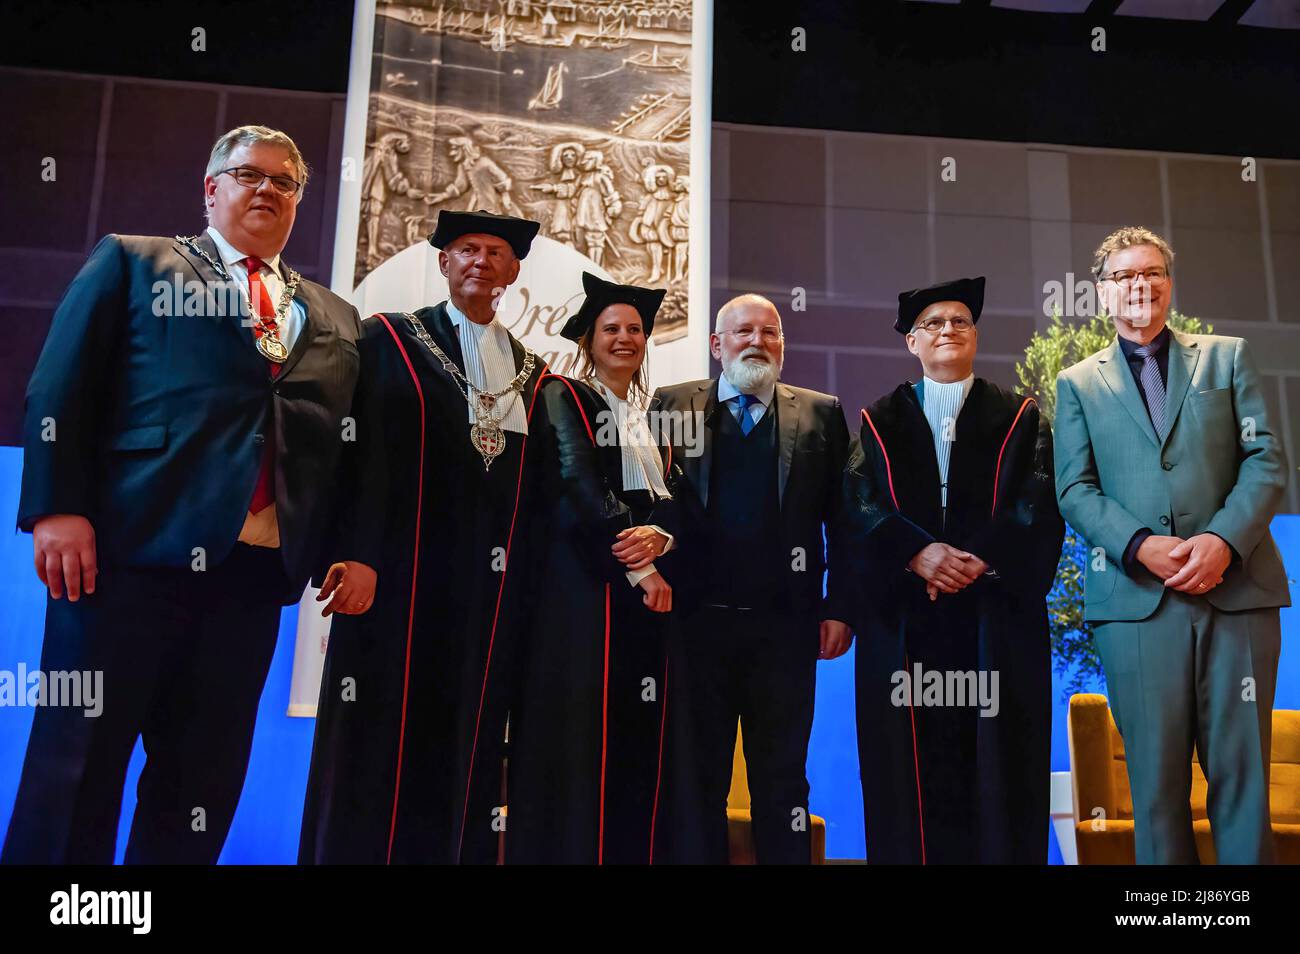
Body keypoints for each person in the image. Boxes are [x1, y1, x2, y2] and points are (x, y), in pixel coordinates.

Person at [2, 125, 362, 864]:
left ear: (300, 200)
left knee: (202, 781)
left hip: (252, 578)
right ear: (212, 188)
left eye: (285, 181)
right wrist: (58, 508)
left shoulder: (334, 316)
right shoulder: (134, 261)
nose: (266, 189)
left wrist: (347, 548)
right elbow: (58, 389)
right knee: (78, 764)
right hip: (126, 561)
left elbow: (341, 448)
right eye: (248, 174)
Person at [300, 209, 549, 865]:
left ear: (514, 272)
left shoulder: (534, 373)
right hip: (394, 583)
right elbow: (351, 453)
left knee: (468, 744)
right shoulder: (387, 340)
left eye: (497, 253)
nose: (481, 262)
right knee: (376, 737)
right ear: (443, 262)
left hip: (491, 602)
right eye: (467, 249)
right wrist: (349, 551)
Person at [1055, 227, 1290, 864]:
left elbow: (1267, 461)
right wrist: (1140, 546)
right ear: (1102, 294)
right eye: (1126, 276)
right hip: (1136, 605)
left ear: (1169, 283)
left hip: (1236, 595)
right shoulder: (1077, 383)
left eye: (1153, 272)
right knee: (1155, 792)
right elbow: (1074, 489)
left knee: (1243, 782)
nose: (1141, 285)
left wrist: (1221, 541)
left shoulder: (1227, 356)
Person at [844, 276, 1064, 864]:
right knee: (906, 778)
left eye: (960, 322)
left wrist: (980, 557)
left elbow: (1037, 501)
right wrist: (917, 552)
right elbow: (858, 505)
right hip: (905, 626)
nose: (947, 330)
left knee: (1000, 772)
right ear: (911, 342)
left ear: (976, 336)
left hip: (996, 622)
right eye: (933, 324)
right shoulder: (879, 420)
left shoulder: (1020, 418)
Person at [651, 294, 852, 864]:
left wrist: (839, 606)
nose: (757, 341)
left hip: (785, 632)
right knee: (695, 780)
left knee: (783, 780)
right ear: (717, 345)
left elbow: (846, 521)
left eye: (771, 332)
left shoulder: (821, 413)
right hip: (692, 629)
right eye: (743, 332)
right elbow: (649, 503)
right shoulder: (672, 406)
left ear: (783, 345)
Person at [507, 272, 690, 864]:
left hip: (641, 601)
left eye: (635, 329)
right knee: (580, 740)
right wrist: (643, 570)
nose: (625, 338)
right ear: (587, 340)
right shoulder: (565, 394)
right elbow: (577, 487)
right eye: (610, 328)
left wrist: (663, 538)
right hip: (583, 593)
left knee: (634, 741)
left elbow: (674, 502)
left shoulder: (653, 415)